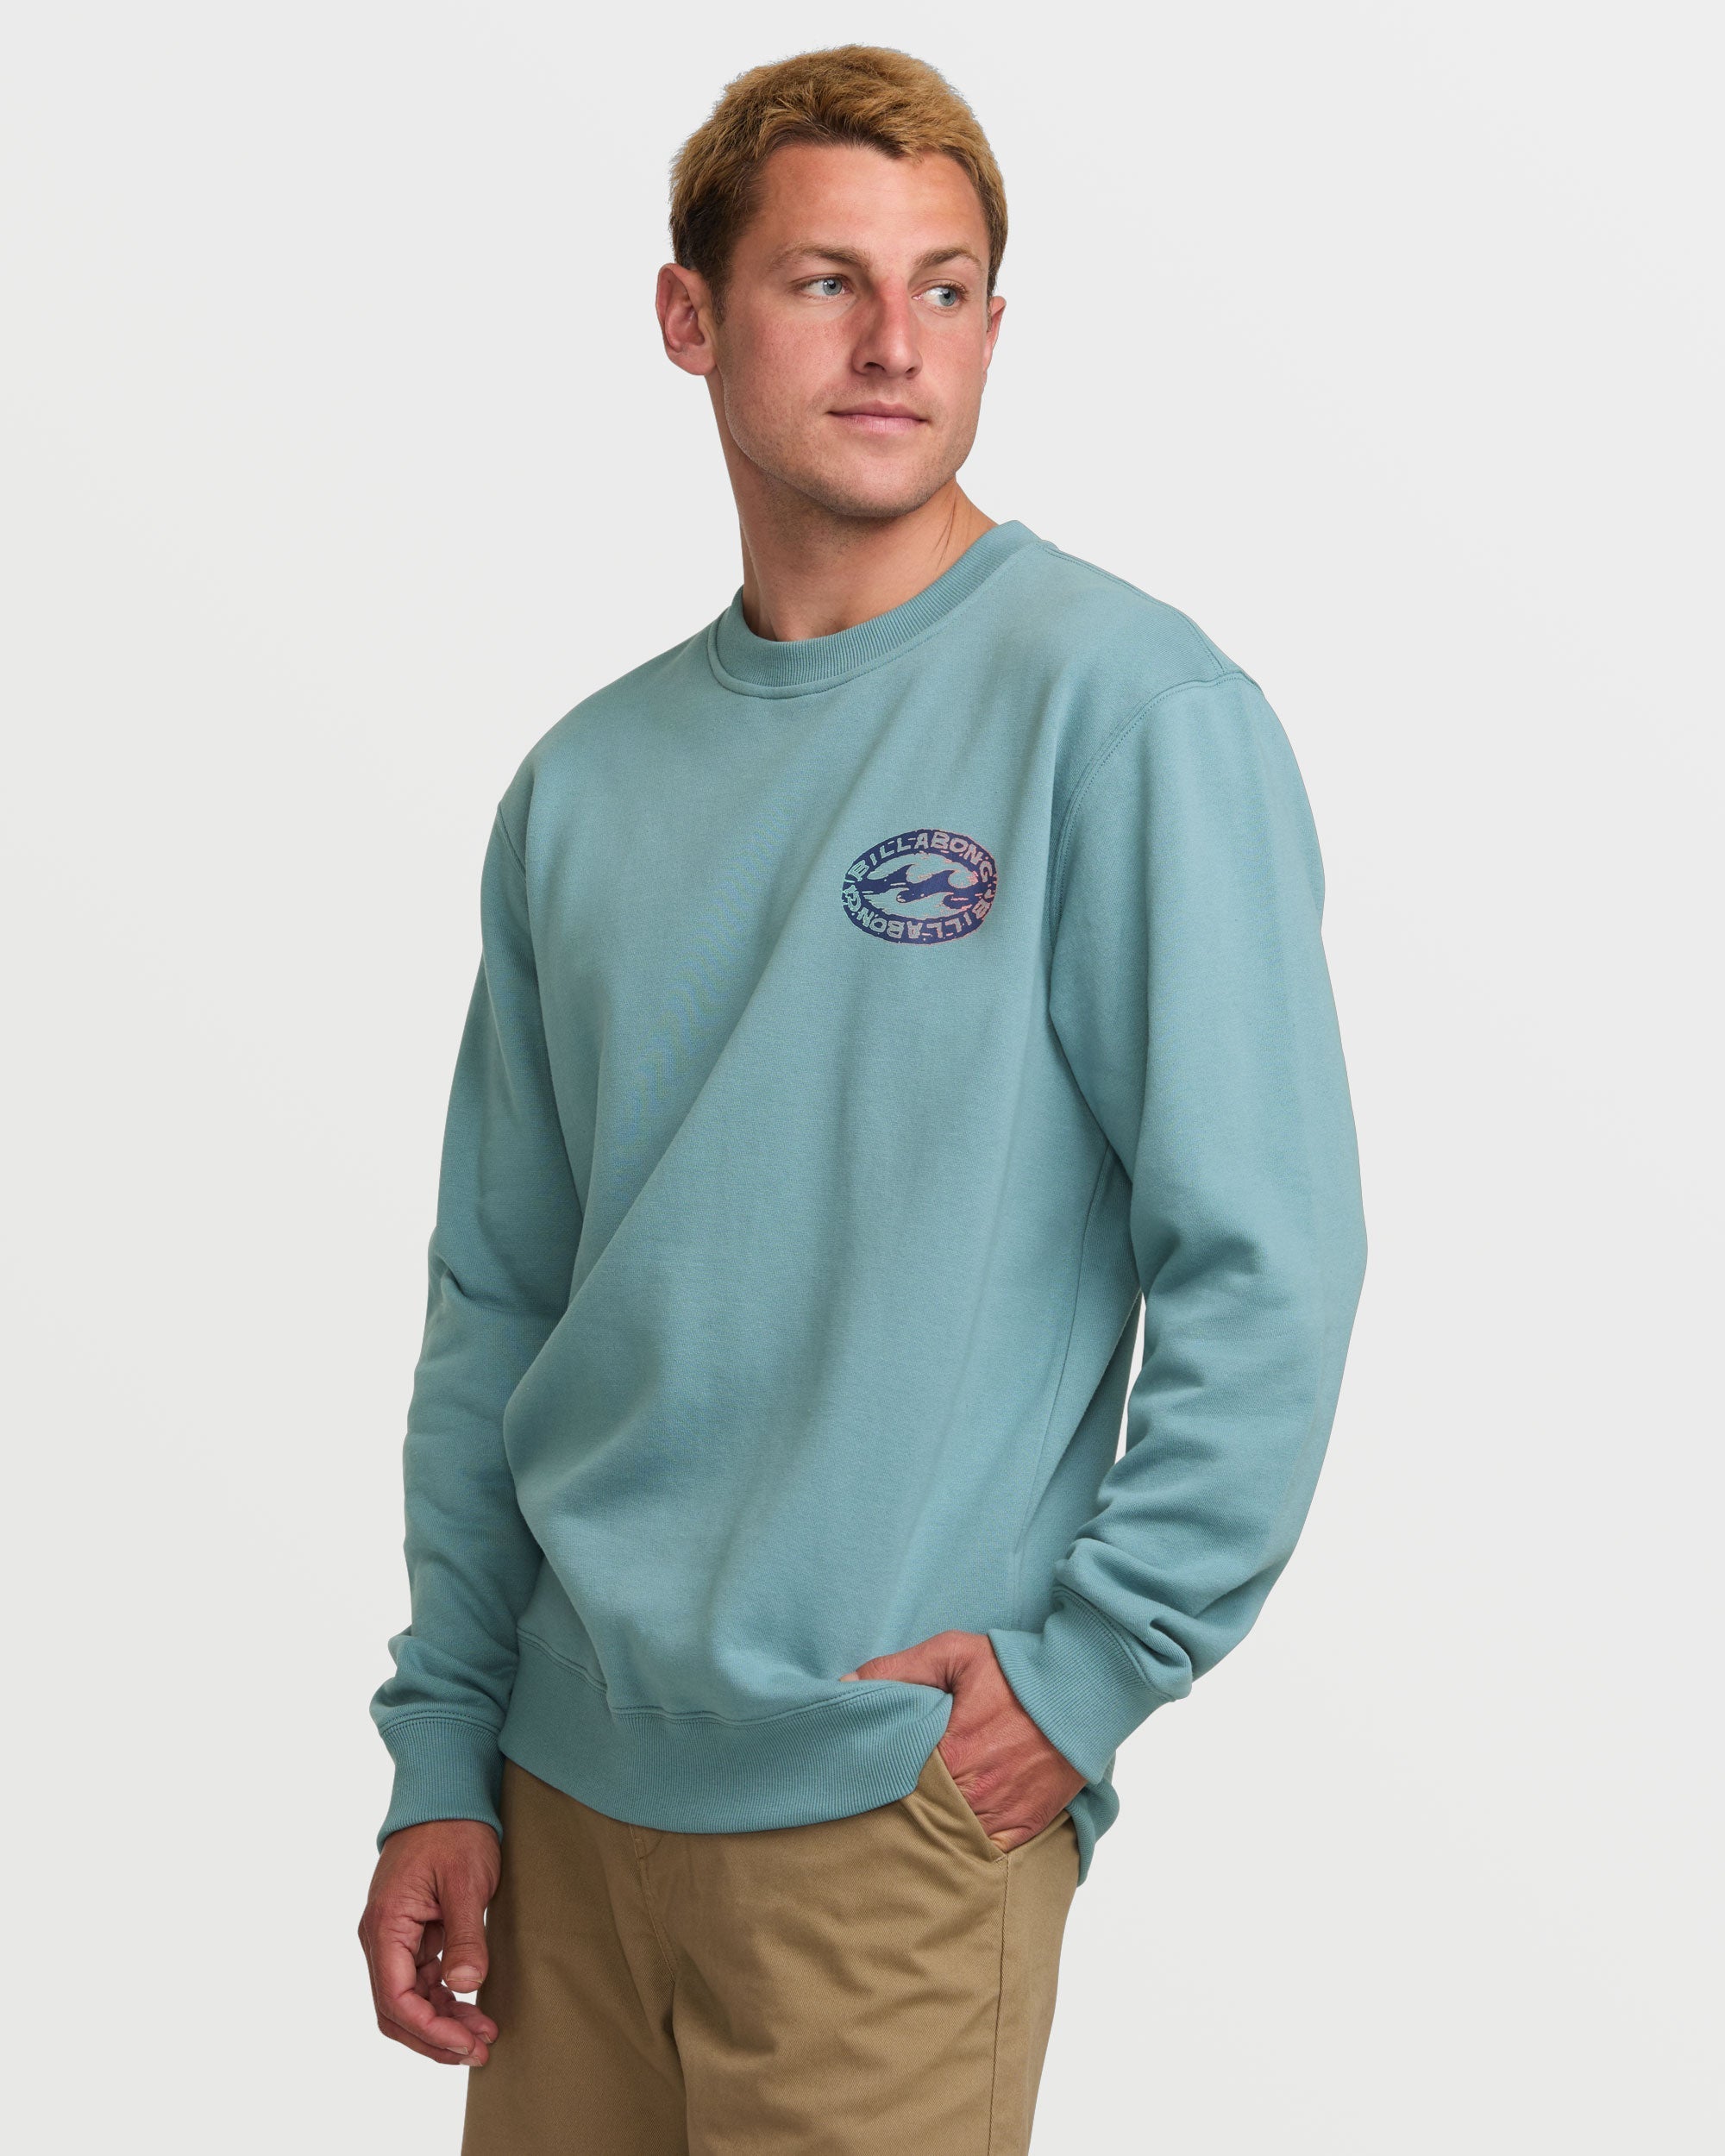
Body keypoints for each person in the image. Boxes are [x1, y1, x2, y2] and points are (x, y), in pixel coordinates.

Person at [357, 42, 1367, 2155]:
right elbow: (500, 1299)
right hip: (557, 1803)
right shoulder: (585, 784)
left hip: (885, 1816)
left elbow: (1263, 1255)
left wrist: (1092, 1666)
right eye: (826, 281)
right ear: (689, 315)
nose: (897, 342)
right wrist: (444, 1746)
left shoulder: (1128, 713)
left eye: (948, 286)